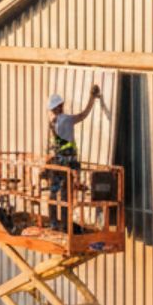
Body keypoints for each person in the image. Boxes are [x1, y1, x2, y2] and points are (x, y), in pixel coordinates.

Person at [45, 85, 101, 231]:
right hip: (66, 165)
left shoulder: (53, 123)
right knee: (64, 196)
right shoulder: (66, 120)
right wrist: (92, 98)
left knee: (53, 193)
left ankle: (53, 223)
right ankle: (64, 225)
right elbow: (83, 115)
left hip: (57, 163)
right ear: (60, 106)